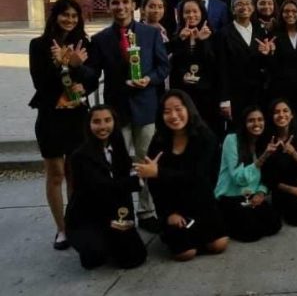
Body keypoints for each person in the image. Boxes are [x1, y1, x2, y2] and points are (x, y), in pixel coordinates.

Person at [87, 0, 169, 233]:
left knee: (146, 159)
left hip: (145, 107)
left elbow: (163, 67)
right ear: (109, 5)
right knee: (120, 164)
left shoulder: (150, 33)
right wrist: (76, 69)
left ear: (134, 5)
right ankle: (124, 211)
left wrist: (150, 79)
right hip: (116, 111)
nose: (120, 7)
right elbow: (92, 74)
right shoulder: (100, 39)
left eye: (125, 2)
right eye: (115, 2)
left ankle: (147, 210)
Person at [29, 0, 96, 250]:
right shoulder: (39, 45)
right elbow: (39, 83)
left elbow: (92, 78)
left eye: (74, 15)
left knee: (74, 173)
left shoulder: (83, 44)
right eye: (64, 14)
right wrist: (59, 63)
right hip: (51, 118)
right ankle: (61, 229)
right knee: (55, 173)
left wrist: (77, 68)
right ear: (54, 16)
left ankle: (76, 221)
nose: (69, 19)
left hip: (76, 117)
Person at [138, 90, 228, 261]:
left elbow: (200, 178)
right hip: (174, 207)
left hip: (202, 203)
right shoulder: (158, 141)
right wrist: (168, 214)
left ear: (189, 109)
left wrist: (159, 172)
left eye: (178, 109)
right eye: (167, 111)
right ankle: (179, 234)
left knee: (219, 245)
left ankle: (194, 235)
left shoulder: (206, 137)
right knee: (186, 253)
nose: (173, 115)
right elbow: (155, 186)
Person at [65, 105, 146, 270]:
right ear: (88, 125)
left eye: (107, 120)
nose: (103, 126)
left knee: (134, 258)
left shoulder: (118, 147)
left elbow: (122, 188)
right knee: (93, 258)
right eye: (97, 121)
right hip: (88, 215)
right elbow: (100, 188)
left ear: (115, 122)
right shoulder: (79, 156)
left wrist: (127, 220)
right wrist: (137, 181)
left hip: (113, 210)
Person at [214, 106, 283, 242]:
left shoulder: (264, 142)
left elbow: (267, 177)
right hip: (230, 196)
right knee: (251, 233)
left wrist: (261, 193)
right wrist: (262, 158)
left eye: (260, 120)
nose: (256, 124)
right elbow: (238, 179)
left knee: (275, 223)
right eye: (251, 120)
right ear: (244, 124)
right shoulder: (232, 140)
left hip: (251, 195)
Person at [216, 0, 272, 132]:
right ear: (233, 9)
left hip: (258, 91)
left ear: (253, 8)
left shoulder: (261, 31)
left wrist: (267, 54)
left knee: (259, 128)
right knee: (238, 129)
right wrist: (224, 99)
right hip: (235, 92)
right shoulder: (224, 34)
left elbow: (266, 63)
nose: (244, 7)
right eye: (239, 4)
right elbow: (221, 68)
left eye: (247, 3)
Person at [170, 0, 220, 139]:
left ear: (202, 13)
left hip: (208, 96)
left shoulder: (213, 35)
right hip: (184, 95)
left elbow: (214, 65)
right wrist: (180, 40)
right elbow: (174, 64)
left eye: (195, 11)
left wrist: (202, 41)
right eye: (187, 12)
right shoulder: (177, 35)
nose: (191, 15)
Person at [267, 0, 297, 123]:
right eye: (286, 11)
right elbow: (271, 66)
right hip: (282, 89)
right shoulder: (274, 35)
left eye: (294, 11)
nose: (290, 14)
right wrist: (271, 53)